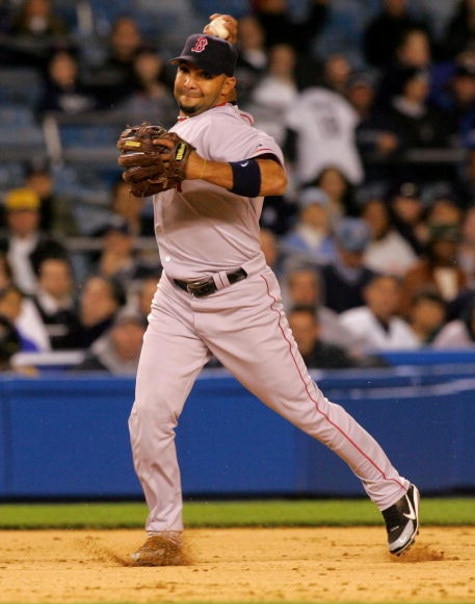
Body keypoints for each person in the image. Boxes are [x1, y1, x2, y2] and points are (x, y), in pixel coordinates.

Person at [126, 26, 420, 567]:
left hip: (239, 299)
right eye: (184, 70)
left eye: (203, 73)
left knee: (307, 409)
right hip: (175, 299)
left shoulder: (233, 129)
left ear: (228, 85)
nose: (188, 80)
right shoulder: (182, 127)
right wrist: (214, 34)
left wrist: (191, 166)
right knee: (148, 415)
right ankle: (164, 532)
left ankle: (392, 488)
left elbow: (274, 178)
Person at [73, 308, 147, 375]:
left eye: (135, 330)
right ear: (112, 332)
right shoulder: (92, 364)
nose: (131, 335)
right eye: (125, 329)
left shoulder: (152, 362)